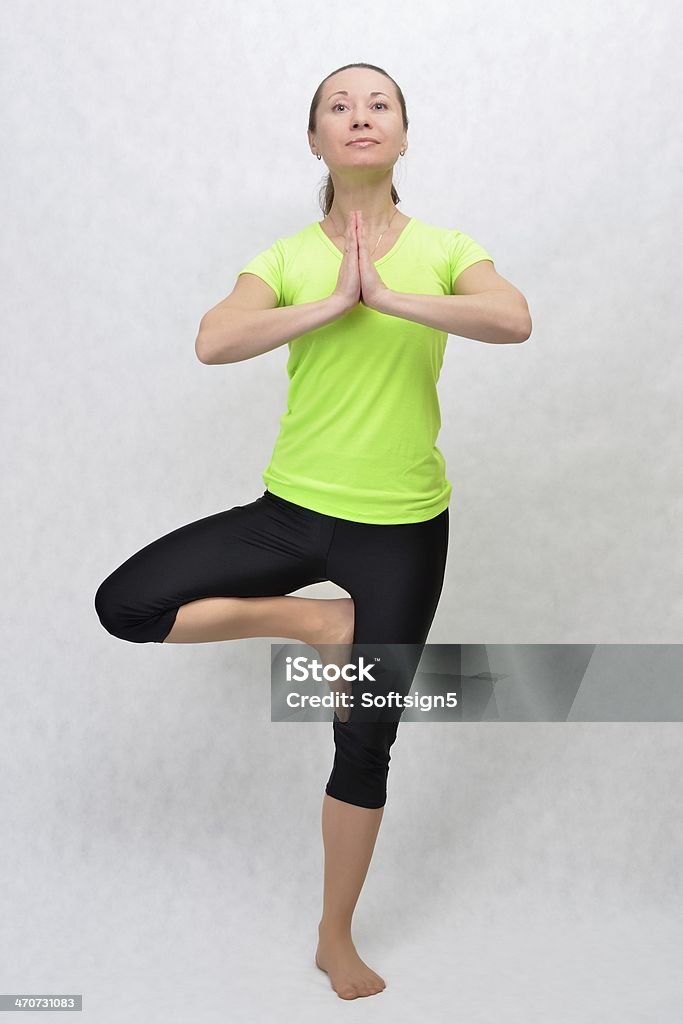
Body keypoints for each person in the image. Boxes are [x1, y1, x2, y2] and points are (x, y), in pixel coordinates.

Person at [94, 61, 532, 1000]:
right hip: (291, 516)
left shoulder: (448, 246)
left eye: (379, 104)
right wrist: (331, 301)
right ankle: (320, 627)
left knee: (364, 739)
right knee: (127, 603)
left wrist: (391, 298)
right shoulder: (286, 258)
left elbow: (513, 319)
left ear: (404, 135)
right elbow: (214, 340)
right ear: (315, 140)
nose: (360, 115)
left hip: (404, 532)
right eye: (340, 105)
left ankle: (335, 937)